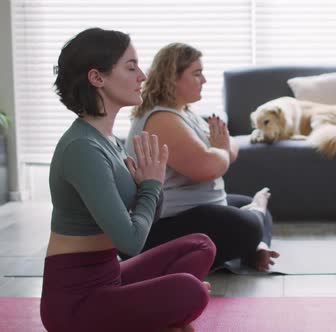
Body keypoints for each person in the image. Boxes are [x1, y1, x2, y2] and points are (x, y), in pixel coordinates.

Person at [41, 28, 215, 332]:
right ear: (98, 78)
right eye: (131, 66)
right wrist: (150, 186)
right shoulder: (83, 148)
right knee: (192, 291)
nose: (143, 76)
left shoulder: (107, 139)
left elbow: (143, 223)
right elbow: (131, 243)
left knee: (200, 246)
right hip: (76, 302)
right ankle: (162, 316)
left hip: (110, 276)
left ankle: (156, 316)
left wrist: (151, 186)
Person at [126, 43, 279, 271]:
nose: (204, 80)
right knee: (251, 222)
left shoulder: (184, 112)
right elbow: (207, 168)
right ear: (172, 78)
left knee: (249, 203)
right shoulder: (162, 120)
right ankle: (253, 234)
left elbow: (228, 147)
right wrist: (221, 150)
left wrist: (221, 149)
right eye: (197, 74)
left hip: (198, 209)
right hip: (165, 225)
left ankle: (256, 248)